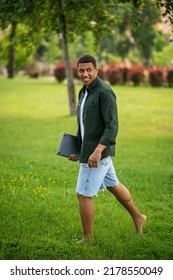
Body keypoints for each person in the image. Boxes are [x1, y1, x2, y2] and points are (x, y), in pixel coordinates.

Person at [69, 54, 146, 243]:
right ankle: (139, 217)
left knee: (83, 194)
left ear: (97, 70)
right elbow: (84, 124)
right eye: (81, 70)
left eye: (89, 70)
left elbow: (112, 126)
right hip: (89, 150)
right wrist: (78, 148)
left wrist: (97, 151)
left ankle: (87, 238)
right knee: (113, 184)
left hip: (97, 154)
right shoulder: (84, 91)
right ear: (77, 71)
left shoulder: (104, 92)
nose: (85, 74)